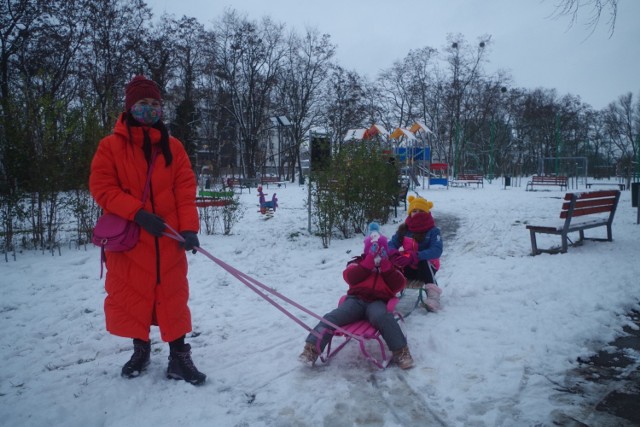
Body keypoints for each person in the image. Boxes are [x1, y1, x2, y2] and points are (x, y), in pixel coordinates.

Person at [89, 75, 205, 385]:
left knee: (173, 297)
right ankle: (140, 349)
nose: (150, 109)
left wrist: (189, 228)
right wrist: (138, 214)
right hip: (130, 241)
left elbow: (184, 189)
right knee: (132, 296)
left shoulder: (174, 147)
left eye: (156, 104)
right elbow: (102, 188)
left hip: (168, 241)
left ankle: (179, 356)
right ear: (129, 107)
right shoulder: (110, 146)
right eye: (143, 104)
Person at [298, 223, 414, 369]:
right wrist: (367, 262)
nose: (377, 252)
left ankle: (401, 351)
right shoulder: (357, 262)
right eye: (373, 249)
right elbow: (350, 278)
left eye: (380, 249)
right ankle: (311, 349)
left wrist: (386, 267)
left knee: (383, 317)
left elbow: (398, 285)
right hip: (355, 301)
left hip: (378, 302)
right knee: (332, 317)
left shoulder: (392, 266)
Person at [388, 195, 444, 312]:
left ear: (426, 213)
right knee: (390, 261)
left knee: (423, 261)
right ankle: (385, 292)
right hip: (408, 266)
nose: (417, 213)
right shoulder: (404, 230)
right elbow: (391, 244)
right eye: (414, 211)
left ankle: (433, 297)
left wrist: (416, 256)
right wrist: (394, 254)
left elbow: (437, 250)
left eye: (421, 211)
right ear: (410, 213)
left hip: (426, 268)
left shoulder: (433, 231)